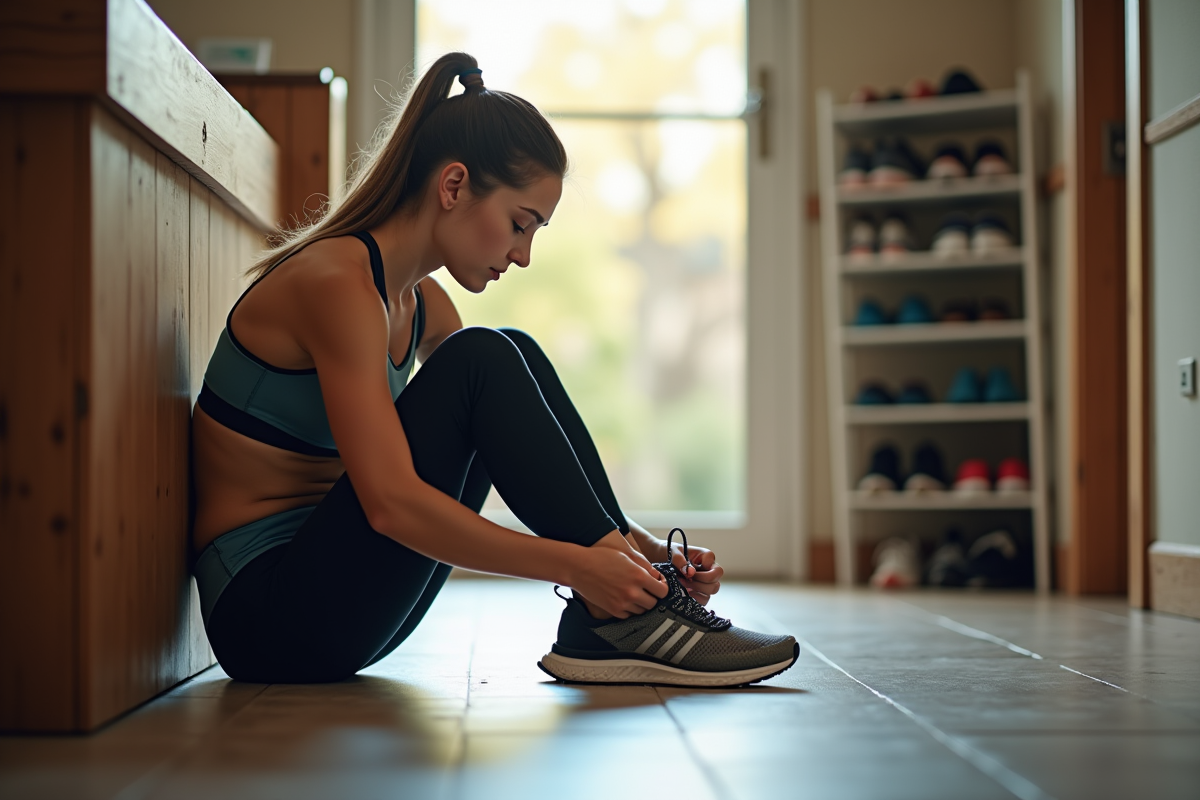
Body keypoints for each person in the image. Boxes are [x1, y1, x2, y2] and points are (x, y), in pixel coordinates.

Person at [191, 52, 797, 687]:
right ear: (453, 187)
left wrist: (643, 551)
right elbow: (392, 506)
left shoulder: (418, 300)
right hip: (266, 617)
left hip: (340, 599)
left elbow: (514, 419)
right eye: (519, 223)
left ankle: (634, 601)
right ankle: (623, 613)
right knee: (483, 357)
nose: (524, 254)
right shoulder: (337, 284)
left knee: (510, 350)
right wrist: (578, 567)